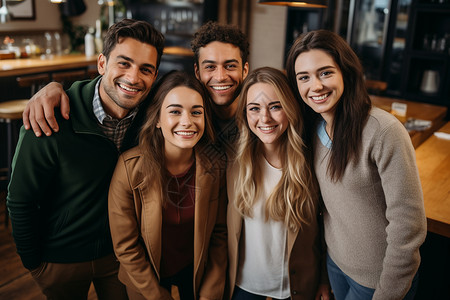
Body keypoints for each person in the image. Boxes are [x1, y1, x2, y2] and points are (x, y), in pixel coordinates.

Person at [7, 18, 165, 300]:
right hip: (60, 259)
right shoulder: (50, 118)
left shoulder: (153, 118)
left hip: (121, 255)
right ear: (102, 63)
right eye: (124, 63)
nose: (133, 77)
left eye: (146, 69)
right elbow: (20, 199)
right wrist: (34, 264)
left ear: (154, 76)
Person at [285, 30, 427, 300]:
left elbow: (409, 226)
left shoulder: (383, 131)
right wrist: (325, 273)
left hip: (380, 280)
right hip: (336, 268)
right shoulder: (313, 129)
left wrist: (387, 292)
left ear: (346, 73)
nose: (315, 86)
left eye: (325, 72)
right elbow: (327, 213)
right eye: (303, 77)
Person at [22, 21, 249, 155]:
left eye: (230, 66)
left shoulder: (258, 116)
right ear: (197, 72)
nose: (220, 76)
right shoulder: (169, 109)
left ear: (245, 70)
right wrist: (52, 88)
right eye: (210, 66)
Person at [108, 71, 227, 300]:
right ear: (158, 120)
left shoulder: (216, 166)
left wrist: (210, 293)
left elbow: (219, 235)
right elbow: (126, 246)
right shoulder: (129, 168)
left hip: (195, 270)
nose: (187, 121)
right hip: (144, 277)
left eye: (196, 112)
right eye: (175, 111)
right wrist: (158, 296)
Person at [226, 67, 330, 300]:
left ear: (290, 109)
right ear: (245, 114)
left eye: (275, 106)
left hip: (297, 290)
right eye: (254, 108)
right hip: (243, 288)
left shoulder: (312, 162)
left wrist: (324, 278)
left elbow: (327, 228)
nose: (265, 118)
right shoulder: (234, 164)